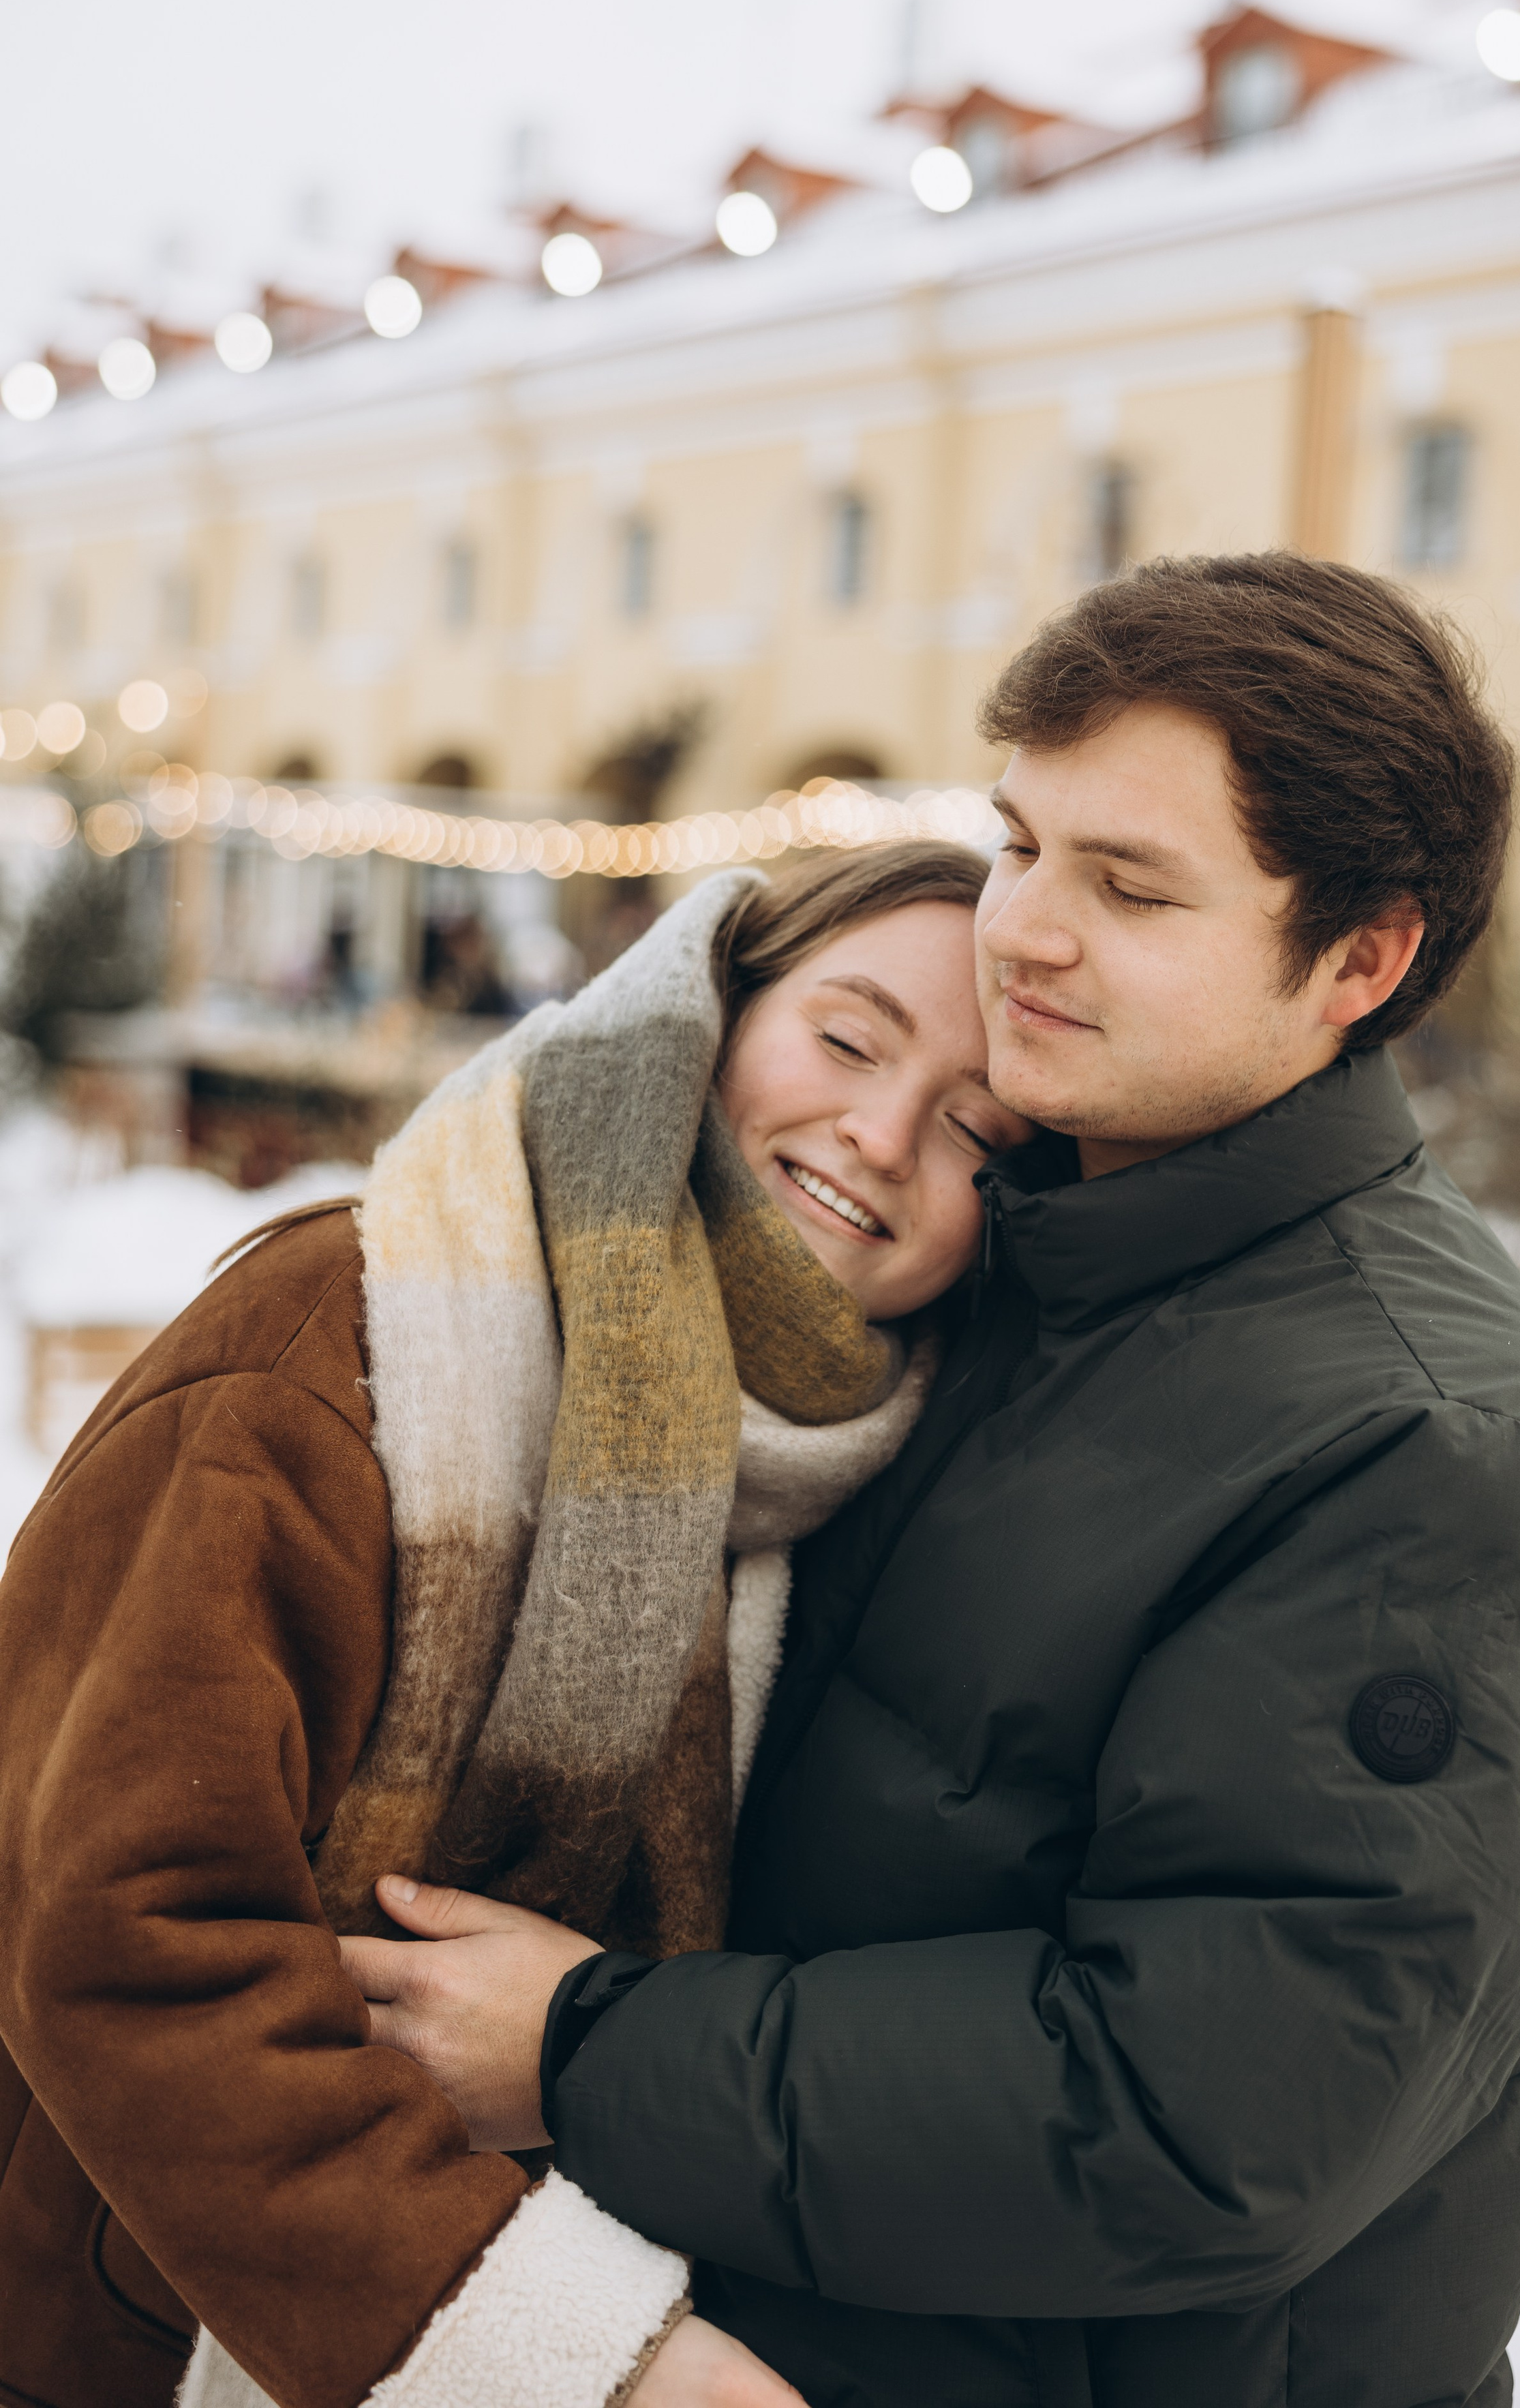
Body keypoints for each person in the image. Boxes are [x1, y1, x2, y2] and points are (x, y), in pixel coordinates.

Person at [348, 554, 1520, 2408]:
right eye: (1022, 843)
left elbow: (1201, 2118)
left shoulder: (1429, 1461)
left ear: (1358, 961)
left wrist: (581, 2054)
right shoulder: (1025, 1256)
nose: (1021, 930)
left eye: (1128, 886)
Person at [0, 840, 1030, 2408]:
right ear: (709, 1007)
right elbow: (128, 1932)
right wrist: (576, 2359)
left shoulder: (857, 1480)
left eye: (972, 1128)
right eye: (845, 1036)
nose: (881, 1135)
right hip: (125, 2333)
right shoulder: (335, 1336)